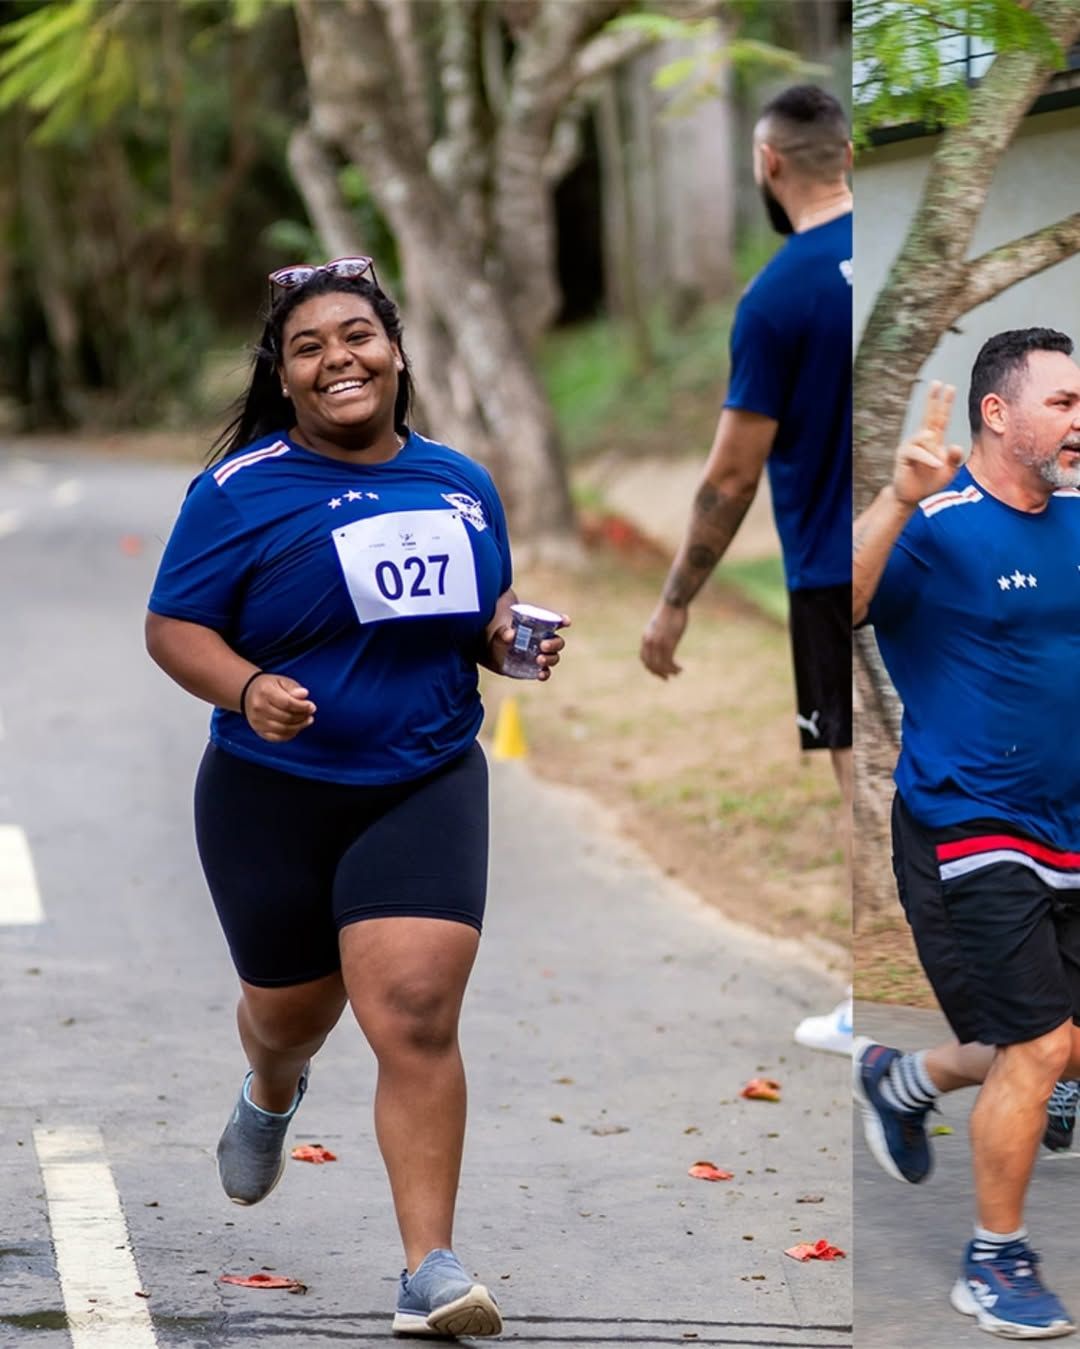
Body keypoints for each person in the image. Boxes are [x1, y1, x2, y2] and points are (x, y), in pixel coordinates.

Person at [145, 256, 568, 1339]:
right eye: (310, 346)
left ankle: (429, 1265)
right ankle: (272, 1083)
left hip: (422, 776)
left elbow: (480, 609)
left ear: (395, 350)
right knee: (295, 1014)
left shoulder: (460, 482)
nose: (340, 357)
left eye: (358, 336)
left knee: (417, 1010)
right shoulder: (238, 491)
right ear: (285, 378)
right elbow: (174, 626)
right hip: (270, 790)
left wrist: (507, 637)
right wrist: (246, 686)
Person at [852, 328, 1080, 1339]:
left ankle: (905, 1078)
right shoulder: (935, 525)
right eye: (1066, 402)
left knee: (1054, 1047)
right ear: (999, 412)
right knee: (1041, 1041)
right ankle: (993, 1258)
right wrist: (898, 497)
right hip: (970, 824)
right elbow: (834, 606)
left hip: (1073, 823)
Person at [638, 84, 853, 1055]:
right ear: (843, 151)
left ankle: (887, 1007)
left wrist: (675, 602)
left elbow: (732, 471)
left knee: (869, 786)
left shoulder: (777, 297)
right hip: (945, 550)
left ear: (770, 164)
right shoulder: (909, 258)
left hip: (837, 577)